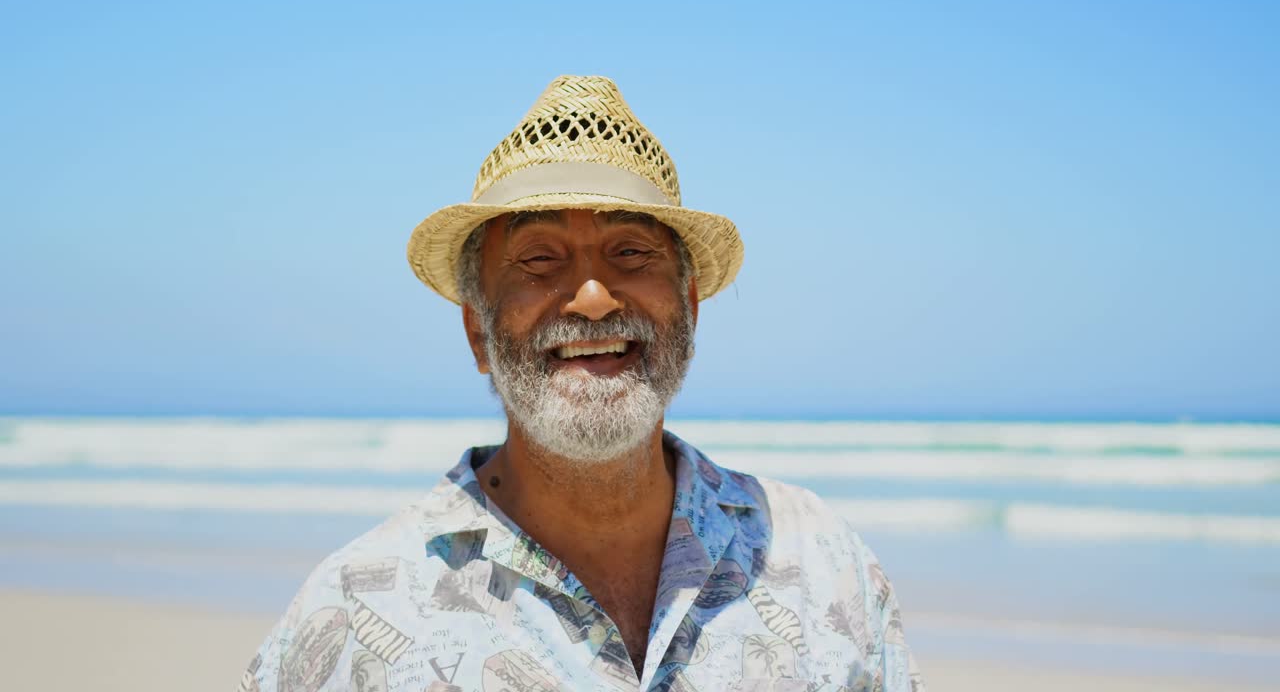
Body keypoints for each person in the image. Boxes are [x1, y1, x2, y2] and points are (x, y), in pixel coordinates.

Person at [239, 75, 924, 692]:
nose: (593, 297)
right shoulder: (357, 616)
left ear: (689, 308)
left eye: (630, 252)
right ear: (478, 329)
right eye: (539, 259)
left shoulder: (823, 567)